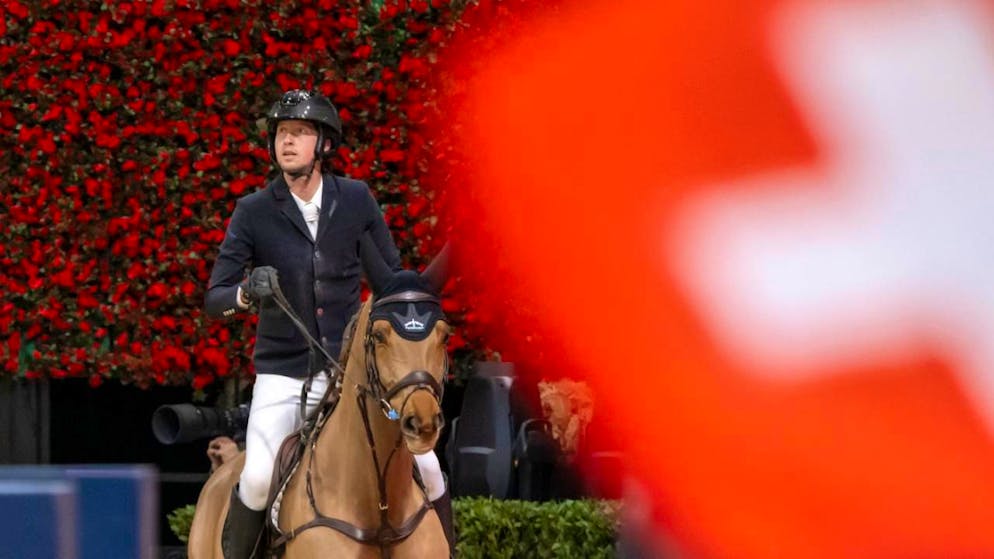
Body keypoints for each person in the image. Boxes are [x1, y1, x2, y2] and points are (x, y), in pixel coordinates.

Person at [205, 89, 451, 559]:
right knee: (256, 479)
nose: (287, 142)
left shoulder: (356, 200)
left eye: (300, 133)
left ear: (324, 146)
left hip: (354, 380)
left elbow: (393, 282)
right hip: (282, 376)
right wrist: (245, 291)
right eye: (281, 133)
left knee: (431, 468)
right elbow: (215, 298)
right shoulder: (253, 211)